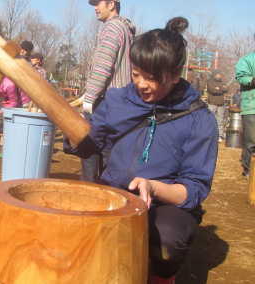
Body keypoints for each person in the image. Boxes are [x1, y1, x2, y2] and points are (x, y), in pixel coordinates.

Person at [64, 18, 218, 284]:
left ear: (175, 75)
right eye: (136, 74)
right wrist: (70, 128)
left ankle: (161, 277)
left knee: (167, 239)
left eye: (152, 78)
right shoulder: (118, 100)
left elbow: (194, 187)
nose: (142, 84)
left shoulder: (199, 118)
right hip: (114, 191)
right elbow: (90, 143)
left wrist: (153, 187)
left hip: (164, 202)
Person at [81, 0, 135, 182]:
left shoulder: (112, 28)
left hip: (108, 101)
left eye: (98, 3)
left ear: (111, 5)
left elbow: (104, 66)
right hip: (121, 100)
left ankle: (90, 194)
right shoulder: (125, 28)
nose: (95, 8)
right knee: (111, 153)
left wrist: (89, 98)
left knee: (89, 147)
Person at [235, 45, 255, 177]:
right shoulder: (247, 60)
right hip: (251, 106)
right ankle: (247, 169)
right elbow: (241, 76)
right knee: (251, 140)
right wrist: (252, 80)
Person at [207, 71, 228, 142]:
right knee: (210, 120)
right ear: (214, 75)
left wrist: (218, 88)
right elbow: (212, 90)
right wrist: (221, 89)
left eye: (220, 74)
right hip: (212, 104)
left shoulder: (222, 82)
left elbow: (226, 89)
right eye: (217, 74)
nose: (219, 76)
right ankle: (209, 135)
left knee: (220, 121)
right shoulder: (210, 81)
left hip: (221, 104)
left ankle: (220, 136)